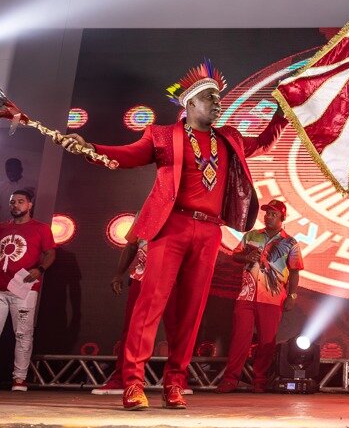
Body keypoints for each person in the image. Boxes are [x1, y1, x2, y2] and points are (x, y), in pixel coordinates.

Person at [62, 60, 287, 410]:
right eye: (211, 97)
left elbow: (266, 142)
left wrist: (284, 112)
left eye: (219, 99)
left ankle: (175, 383)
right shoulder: (163, 135)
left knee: (191, 311)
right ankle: (133, 383)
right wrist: (90, 149)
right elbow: (127, 156)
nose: (218, 103)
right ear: (191, 103)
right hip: (172, 226)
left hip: (210, 231)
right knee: (149, 305)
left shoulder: (230, 138)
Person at [216, 199, 303, 393]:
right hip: (246, 295)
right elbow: (235, 255)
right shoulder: (252, 235)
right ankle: (231, 379)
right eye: (267, 213)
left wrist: (292, 296)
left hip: (272, 298)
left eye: (273, 214)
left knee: (266, 341)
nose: (268, 217)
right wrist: (246, 258)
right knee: (240, 338)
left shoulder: (290, 242)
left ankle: (260, 380)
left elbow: (295, 271)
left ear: (282, 218)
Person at [91, 222, 187, 395]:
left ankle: (177, 381)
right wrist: (119, 274)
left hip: (172, 278)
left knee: (176, 329)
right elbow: (132, 244)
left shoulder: (184, 213)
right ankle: (122, 378)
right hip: (142, 276)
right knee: (131, 328)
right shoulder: (146, 212)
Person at [0, 190, 55, 391]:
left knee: (23, 333)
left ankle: (20, 379)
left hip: (24, 289)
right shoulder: (2, 228)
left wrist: (40, 269)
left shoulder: (41, 228)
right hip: (0, 289)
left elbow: (50, 253)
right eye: (12, 202)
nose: (15, 205)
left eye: (20, 201)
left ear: (30, 205)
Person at [0, 159, 37, 223]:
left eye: (13, 170)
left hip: (24, 225)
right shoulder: (1, 186)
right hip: (4, 224)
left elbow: (36, 207)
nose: (10, 173)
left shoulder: (33, 185)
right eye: (8, 170)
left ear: (20, 170)